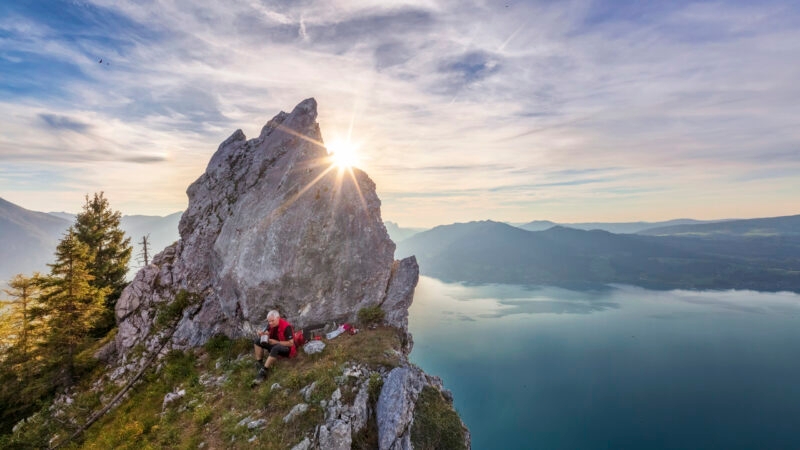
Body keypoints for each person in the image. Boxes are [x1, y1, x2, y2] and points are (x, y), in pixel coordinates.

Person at [253, 310, 296, 383]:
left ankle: (264, 371)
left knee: (276, 347)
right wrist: (263, 334)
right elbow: (267, 335)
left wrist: (277, 342)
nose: (270, 323)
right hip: (274, 344)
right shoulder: (270, 325)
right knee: (257, 341)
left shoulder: (286, 326)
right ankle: (260, 363)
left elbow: (291, 343)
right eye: (269, 321)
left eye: (272, 321)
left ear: (278, 318)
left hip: (287, 349)